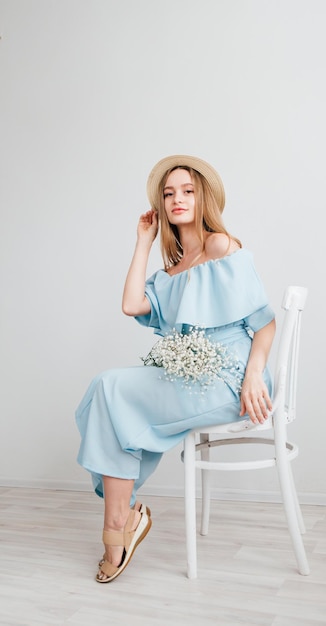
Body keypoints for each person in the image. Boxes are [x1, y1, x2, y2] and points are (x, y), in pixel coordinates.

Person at [76, 155, 276, 583]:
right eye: (169, 194)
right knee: (107, 391)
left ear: (203, 198)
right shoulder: (170, 274)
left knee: (110, 391)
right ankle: (120, 520)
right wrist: (143, 241)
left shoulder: (222, 246)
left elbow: (265, 323)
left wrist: (255, 373)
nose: (177, 199)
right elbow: (131, 305)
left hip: (232, 380)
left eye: (187, 191)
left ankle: (120, 524)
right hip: (191, 376)